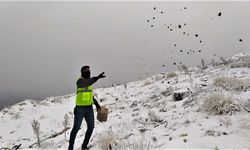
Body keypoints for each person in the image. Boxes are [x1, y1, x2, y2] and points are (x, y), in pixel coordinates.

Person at [68, 66, 106, 150]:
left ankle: (84, 146)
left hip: (89, 109)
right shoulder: (80, 81)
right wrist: (97, 78)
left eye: (89, 71)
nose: (89, 72)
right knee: (76, 128)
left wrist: (97, 104)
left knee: (91, 127)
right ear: (82, 72)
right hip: (80, 109)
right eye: (86, 71)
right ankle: (70, 147)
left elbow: (90, 96)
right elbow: (86, 82)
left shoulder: (89, 85)